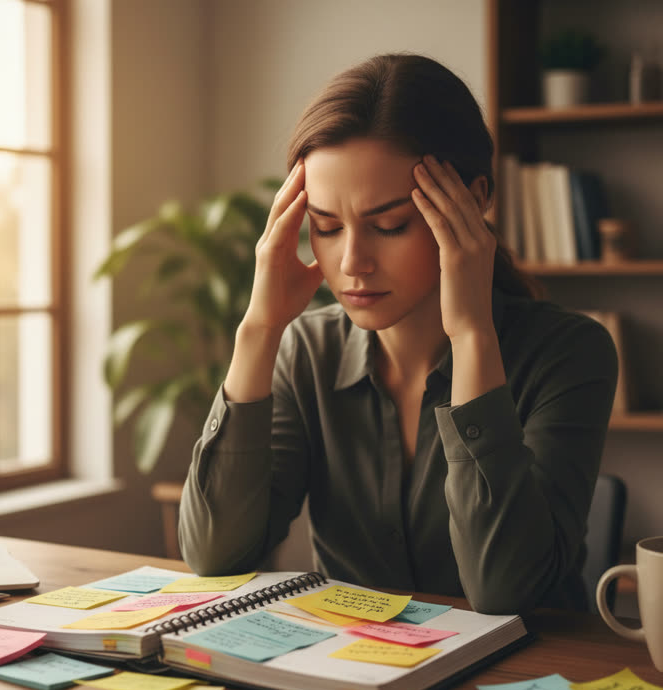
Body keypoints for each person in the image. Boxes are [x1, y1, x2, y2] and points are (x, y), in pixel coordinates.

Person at [177, 53, 617, 614]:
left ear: (475, 198)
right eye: (327, 227)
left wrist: (472, 335)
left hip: (521, 680)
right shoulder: (308, 351)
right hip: (353, 675)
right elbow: (215, 560)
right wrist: (259, 329)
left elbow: (506, 590)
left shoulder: (569, 352)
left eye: (390, 225)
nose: (353, 261)